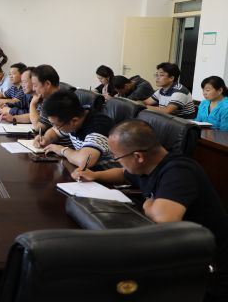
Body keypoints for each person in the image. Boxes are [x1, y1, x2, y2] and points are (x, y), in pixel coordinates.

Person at [72, 119, 228, 301]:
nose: (117, 162)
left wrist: (149, 205)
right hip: (182, 250)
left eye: (117, 158)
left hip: (211, 267)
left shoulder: (179, 170)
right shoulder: (149, 164)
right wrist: (94, 175)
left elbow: (165, 219)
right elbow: (123, 174)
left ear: (138, 156)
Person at [36, 90, 118, 170]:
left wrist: (62, 150)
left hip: (106, 176)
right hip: (87, 173)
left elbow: (85, 162)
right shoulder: (74, 115)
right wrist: (46, 139)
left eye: (57, 125)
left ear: (74, 121)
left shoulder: (99, 126)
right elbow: (54, 131)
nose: (55, 127)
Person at [28, 64, 63, 132]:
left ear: (47, 84)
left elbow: (38, 127)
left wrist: (32, 104)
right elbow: (36, 117)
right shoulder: (46, 98)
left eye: (35, 85)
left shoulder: (57, 101)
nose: (33, 89)